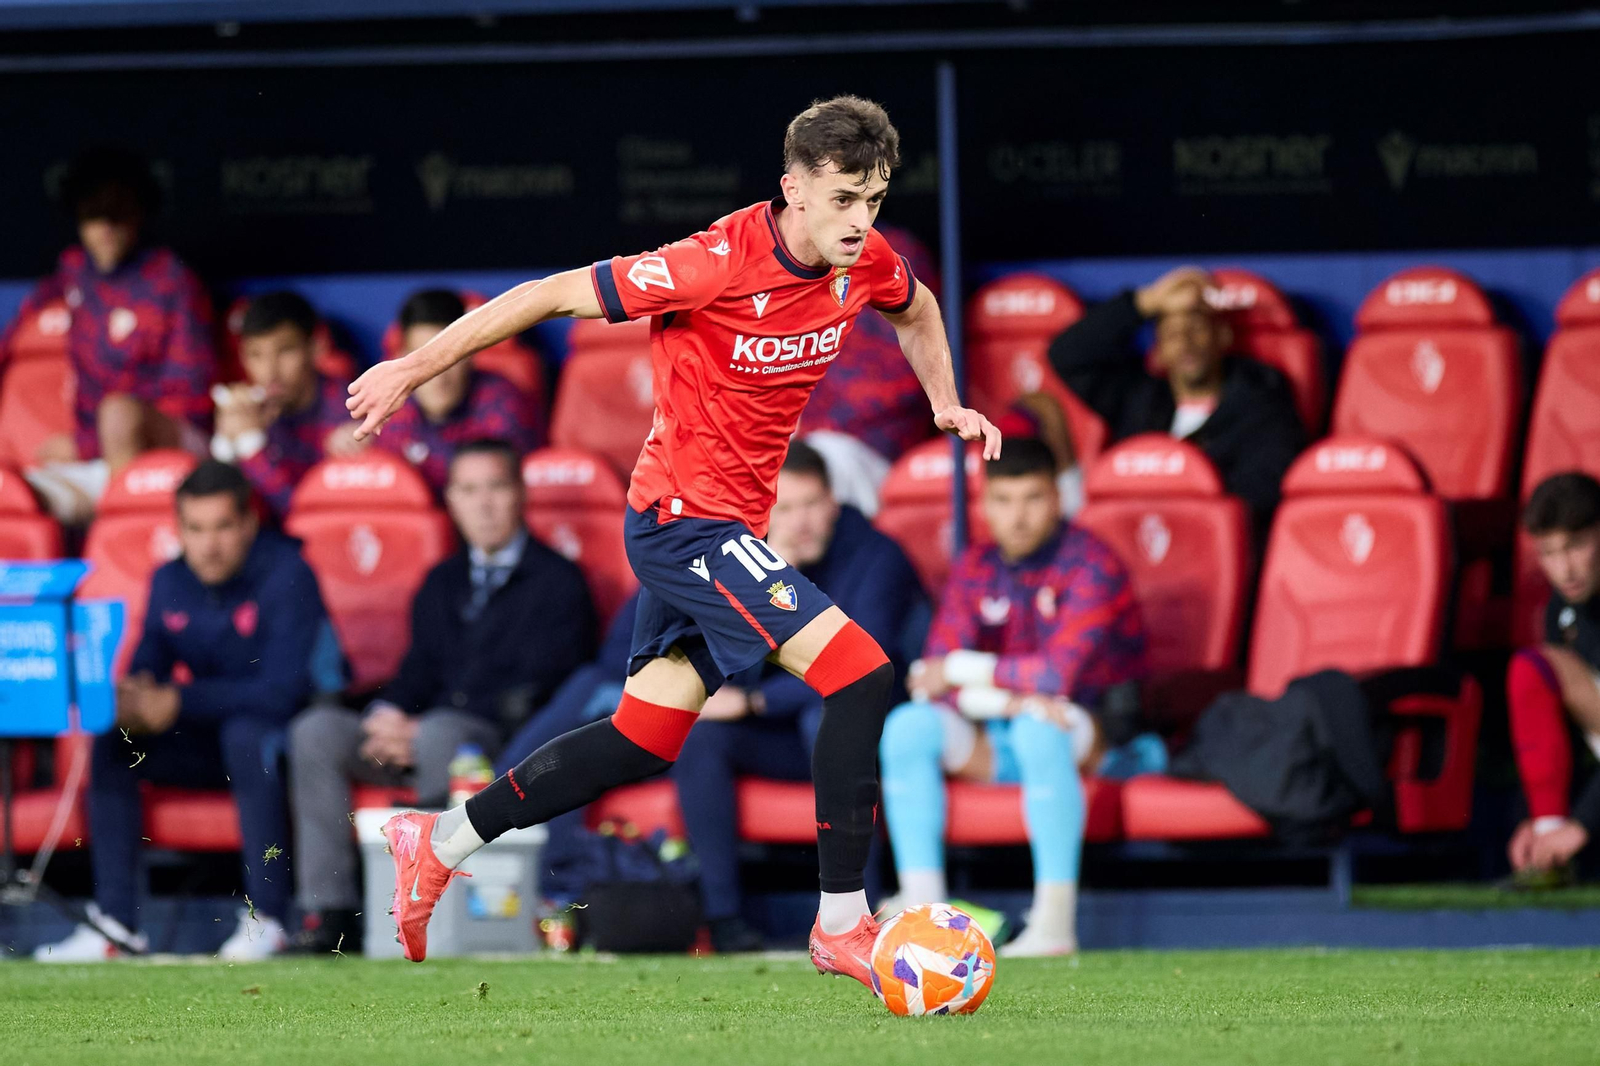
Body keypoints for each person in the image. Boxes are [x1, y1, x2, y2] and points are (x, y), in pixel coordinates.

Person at [345, 95, 1000, 985]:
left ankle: (441, 839)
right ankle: (841, 923)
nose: (860, 221)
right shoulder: (710, 263)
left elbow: (915, 309)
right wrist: (410, 369)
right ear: (794, 189)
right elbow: (545, 296)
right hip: (680, 523)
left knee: (643, 738)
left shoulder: (866, 260)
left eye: (874, 200)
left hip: (732, 528)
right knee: (862, 675)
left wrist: (944, 402)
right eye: (843, 199)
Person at [287, 439, 595, 953]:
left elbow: (542, 689)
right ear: (451, 501)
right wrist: (387, 715)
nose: (483, 504)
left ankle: (427, 904)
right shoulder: (441, 580)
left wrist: (423, 726)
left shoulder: (559, 581)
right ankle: (330, 913)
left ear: (520, 494)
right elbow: (417, 671)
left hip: (502, 743)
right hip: (426, 732)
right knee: (316, 732)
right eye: (469, 491)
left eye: (495, 487)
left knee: (440, 735)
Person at [34, 462, 341, 962]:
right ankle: (117, 926)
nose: (208, 545)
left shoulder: (289, 573)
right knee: (116, 741)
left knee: (246, 735)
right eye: (195, 529)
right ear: (178, 531)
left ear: (248, 525)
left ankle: (270, 919)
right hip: (210, 742)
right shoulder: (169, 579)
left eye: (222, 527)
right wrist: (132, 698)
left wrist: (179, 700)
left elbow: (282, 692)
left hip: (289, 744)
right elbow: (150, 663)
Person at [879, 438, 1147, 957]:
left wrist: (963, 671)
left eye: (1032, 498)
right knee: (908, 726)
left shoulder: (1092, 562)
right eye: (1003, 501)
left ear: (1057, 498)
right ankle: (924, 910)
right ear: (985, 504)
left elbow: (1055, 676)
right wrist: (1006, 701)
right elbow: (930, 678)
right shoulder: (976, 565)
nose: (1018, 517)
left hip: (1094, 732)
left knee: (1039, 728)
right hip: (997, 726)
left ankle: (1053, 924)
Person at [672, 441, 925, 952]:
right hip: (780, 734)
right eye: (784, 509)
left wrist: (756, 703)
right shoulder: (751, 561)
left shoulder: (877, 556)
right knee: (704, 742)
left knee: (827, 717)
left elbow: (857, 667)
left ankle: (862, 911)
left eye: (810, 504)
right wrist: (776, 577)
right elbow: (733, 668)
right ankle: (724, 920)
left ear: (833, 502)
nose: (801, 522)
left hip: (862, 727)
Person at [12, 147, 215, 524]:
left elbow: (190, 400)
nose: (105, 227)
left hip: (173, 447)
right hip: (99, 462)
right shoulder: (75, 270)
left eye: (117, 214)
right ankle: (111, 520)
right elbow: (16, 330)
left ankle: (125, 533)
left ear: (139, 214)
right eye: (93, 215)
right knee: (14, 494)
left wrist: (90, 443)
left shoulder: (171, 279)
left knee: (118, 413)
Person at [1046, 265, 1303, 532]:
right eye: (1172, 334)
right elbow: (1066, 356)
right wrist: (1149, 300)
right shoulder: (1139, 399)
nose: (1185, 343)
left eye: (1196, 329)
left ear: (1223, 336)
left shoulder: (1260, 401)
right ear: (1158, 351)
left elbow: (1268, 486)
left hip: (1209, 540)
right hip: (1131, 533)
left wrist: (1191, 482)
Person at [799, 224, 937, 514]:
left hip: (870, 444)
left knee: (821, 465)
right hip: (804, 433)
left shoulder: (897, 253)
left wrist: (818, 423)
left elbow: (910, 380)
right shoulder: (800, 252)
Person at [1505, 472, 1600, 883]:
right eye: (1548, 552)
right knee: (1532, 671)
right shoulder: (1562, 610)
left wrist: (1584, 823)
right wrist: (1539, 819)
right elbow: (1562, 732)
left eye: (1576, 545)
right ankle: (1548, 842)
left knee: (1533, 669)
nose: (1565, 569)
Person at [373, 290, 538, 494]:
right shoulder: (387, 411)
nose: (437, 375)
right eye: (421, 360)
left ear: (470, 353)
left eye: (449, 358)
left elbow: (502, 497)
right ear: (401, 359)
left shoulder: (504, 403)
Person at [214, 291, 360, 520]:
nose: (270, 371)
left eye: (285, 351)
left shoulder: (351, 408)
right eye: (255, 355)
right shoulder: (247, 410)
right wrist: (226, 446)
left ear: (316, 347)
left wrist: (251, 447)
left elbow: (305, 515)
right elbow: (220, 519)